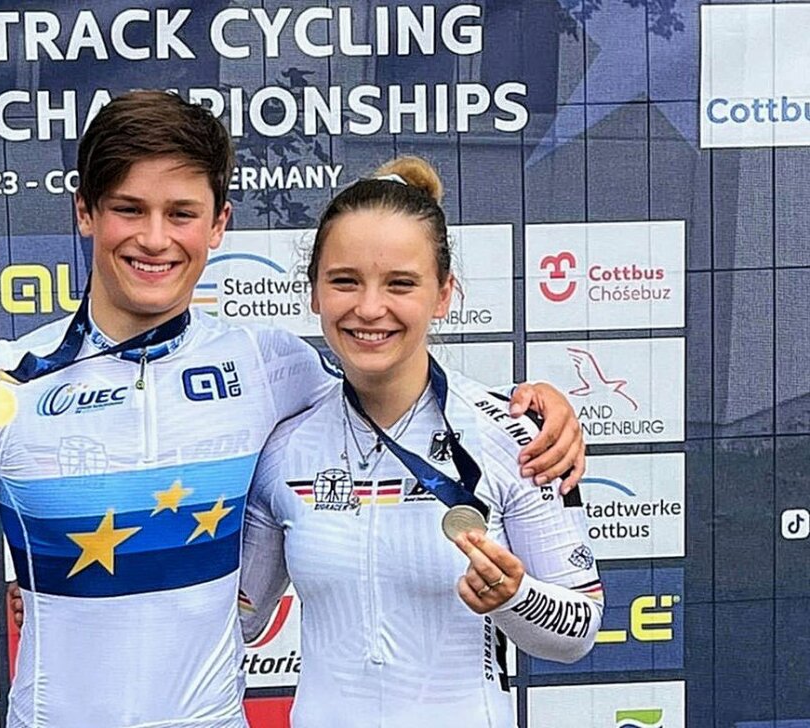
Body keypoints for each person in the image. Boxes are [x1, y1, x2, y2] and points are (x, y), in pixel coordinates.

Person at [0, 91, 585, 728]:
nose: (156, 240)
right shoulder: (1, 380)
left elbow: (388, 387)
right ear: (86, 212)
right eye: (129, 209)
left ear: (219, 225)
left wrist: (534, 406)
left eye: (182, 213)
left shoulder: (268, 364)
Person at [237, 157, 604, 727]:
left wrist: (513, 596)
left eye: (400, 284)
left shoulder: (513, 434)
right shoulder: (283, 447)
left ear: (443, 295)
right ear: (313, 293)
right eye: (345, 281)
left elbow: (580, 630)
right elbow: (243, 620)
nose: (369, 308)